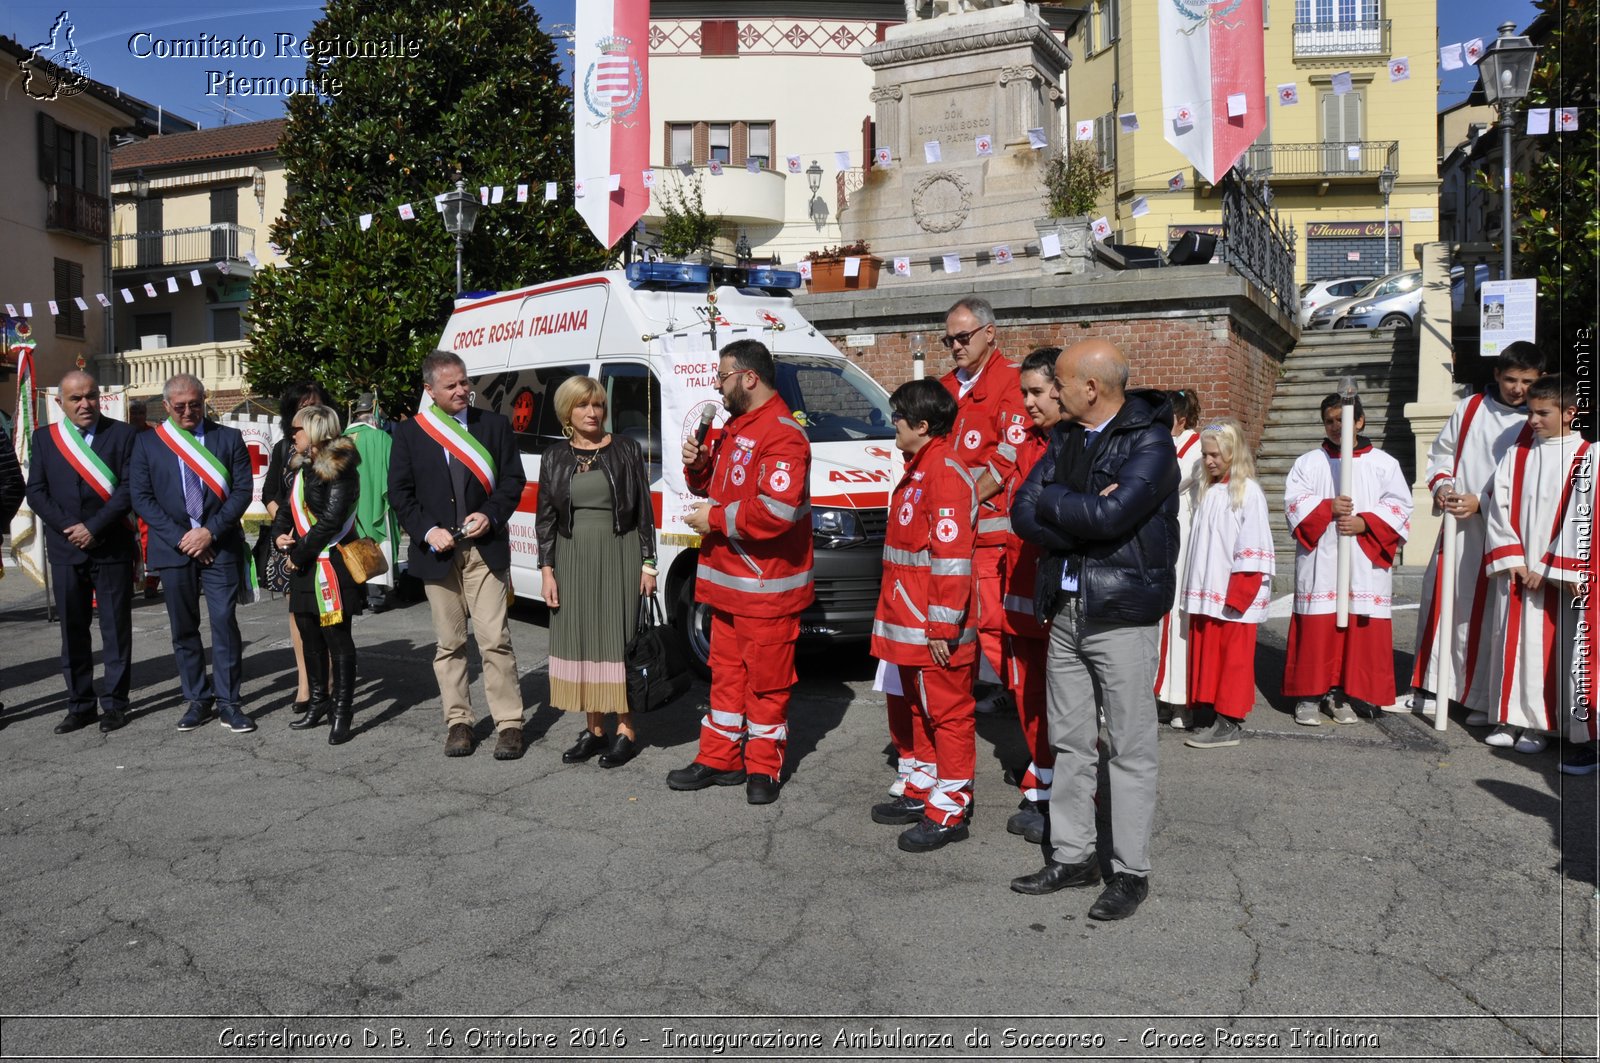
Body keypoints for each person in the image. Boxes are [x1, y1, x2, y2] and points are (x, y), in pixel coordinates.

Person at [1009, 339, 1179, 922]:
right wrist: (1075, 507)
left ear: (1091, 388)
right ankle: (1075, 854)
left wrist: (1063, 505)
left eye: (1057, 382)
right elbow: (1023, 511)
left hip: (1121, 616)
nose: (1049, 392)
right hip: (1067, 609)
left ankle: (1130, 871)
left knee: (1129, 748)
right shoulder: (1063, 438)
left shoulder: (1151, 441)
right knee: (1072, 741)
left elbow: (1113, 515)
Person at [668, 339, 813, 805]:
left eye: (723, 375)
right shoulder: (736, 428)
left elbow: (775, 511)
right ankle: (719, 758)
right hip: (727, 584)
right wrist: (700, 466)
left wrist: (712, 519)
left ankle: (763, 768)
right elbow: (721, 488)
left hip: (765, 588)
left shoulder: (783, 434)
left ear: (749, 377)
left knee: (767, 683)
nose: (717, 383)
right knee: (725, 676)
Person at [388, 350, 527, 760]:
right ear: (429, 390)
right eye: (451, 386)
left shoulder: (494, 425)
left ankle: (509, 725)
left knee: (494, 640)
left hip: (484, 551)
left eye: (465, 382)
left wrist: (490, 514)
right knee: (449, 644)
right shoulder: (411, 433)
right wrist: (428, 530)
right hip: (437, 554)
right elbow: (400, 493)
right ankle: (459, 723)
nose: (463, 391)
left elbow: (513, 481)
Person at [868, 379, 980, 851]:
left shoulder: (944, 472)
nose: (892, 423)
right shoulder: (922, 467)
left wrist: (942, 625)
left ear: (922, 425)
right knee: (920, 708)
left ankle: (950, 808)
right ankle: (923, 788)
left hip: (933, 625)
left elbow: (952, 558)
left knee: (948, 715)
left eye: (898, 417)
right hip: (911, 619)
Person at [1408, 344, 1543, 717]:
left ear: (1539, 380)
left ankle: (1484, 697)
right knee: (1445, 603)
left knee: (1492, 615)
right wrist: (1445, 489)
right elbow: (1441, 454)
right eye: (1511, 379)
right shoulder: (1470, 409)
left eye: (1526, 381)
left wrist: (1482, 502)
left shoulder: (1536, 421)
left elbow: (1531, 478)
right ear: (1497, 375)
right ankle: (1433, 686)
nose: (1517, 388)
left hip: (1508, 532)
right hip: (1459, 527)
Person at [537, 376, 658, 769]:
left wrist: (648, 562)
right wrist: (547, 570)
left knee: (616, 639)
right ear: (567, 411)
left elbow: (643, 509)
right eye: (583, 405)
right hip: (572, 558)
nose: (592, 413)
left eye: (598, 405)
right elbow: (546, 518)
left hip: (618, 553)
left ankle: (625, 731)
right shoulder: (554, 457)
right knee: (583, 640)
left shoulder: (625, 449)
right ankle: (595, 731)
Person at [128, 373, 255, 733]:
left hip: (220, 545)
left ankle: (230, 702)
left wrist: (209, 532)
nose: (188, 412)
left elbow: (242, 491)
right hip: (174, 549)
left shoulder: (227, 438)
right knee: (184, 628)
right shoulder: (148, 444)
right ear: (166, 406)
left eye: (194, 404)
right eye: (179, 406)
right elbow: (142, 499)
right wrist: (186, 538)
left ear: (205, 401)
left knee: (223, 624)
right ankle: (197, 699)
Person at [1282, 395, 1412, 725]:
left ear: (1360, 421)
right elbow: (1294, 504)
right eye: (1330, 421)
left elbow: (1400, 506)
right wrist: (1327, 508)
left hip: (1362, 562)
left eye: (1343, 419)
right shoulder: (1309, 463)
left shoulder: (1384, 464)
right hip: (1321, 559)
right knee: (1317, 628)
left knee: (1360, 627)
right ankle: (1309, 696)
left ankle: (1346, 694)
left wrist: (1365, 522)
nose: (1337, 426)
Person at [25, 371, 138, 734]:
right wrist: (70, 528)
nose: (85, 404)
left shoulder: (122, 435)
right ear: (61, 403)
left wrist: (94, 527)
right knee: (73, 631)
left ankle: (115, 704)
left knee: (115, 629)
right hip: (65, 548)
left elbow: (129, 488)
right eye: (76, 399)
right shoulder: (44, 439)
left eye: (91, 396)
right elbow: (37, 492)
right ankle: (80, 704)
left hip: (111, 545)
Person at [1479, 374, 1587, 754]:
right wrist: (1513, 557)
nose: (1532, 420)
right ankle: (1508, 718)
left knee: (1549, 649)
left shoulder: (1587, 455)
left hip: (1555, 577)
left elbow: (1583, 517)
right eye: (1529, 412)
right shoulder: (1517, 455)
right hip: (1518, 570)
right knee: (1509, 643)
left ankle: (1542, 726)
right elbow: (1498, 505)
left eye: (1542, 413)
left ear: (1570, 413)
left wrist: (1548, 565)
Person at [938, 296, 1024, 716]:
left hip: (988, 536)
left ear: (990, 333)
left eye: (963, 337)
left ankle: (1035, 726)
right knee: (949, 626)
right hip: (949, 535)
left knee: (994, 626)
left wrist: (960, 499)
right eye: (949, 339)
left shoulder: (1012, 382)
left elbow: (1008, 459)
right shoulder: (943, 388)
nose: (956, 346)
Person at [998, 347, 1063, 844]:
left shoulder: (1076, 445)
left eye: (1037, 392)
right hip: (1021, 589)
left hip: (1056, 594)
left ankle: (1067, 795)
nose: (1027, 403)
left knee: (1065, 701)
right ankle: (1040, 783)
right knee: (1029, 694)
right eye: (1024, 393)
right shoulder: (1028, 444)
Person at [271, 404, 365, 745]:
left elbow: (332, 520)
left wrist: (298, 553)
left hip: (331, 564)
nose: (291, 435)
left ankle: (342, 710)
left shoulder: (341, 468)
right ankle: (318, 701)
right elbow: (286, 508)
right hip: (305, 562)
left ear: (313, 431)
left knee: (336, 639)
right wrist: (280, 535)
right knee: (309, 635)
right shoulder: (303, 467)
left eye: (296, 429)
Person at [1179, 420, 1275, 750]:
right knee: (1210, 656)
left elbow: (1254, 545)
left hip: (1233, 594)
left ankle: (1229, 722)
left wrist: (1242, 591)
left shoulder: (1248, 492)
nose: (1208, 461)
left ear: (1233, 453)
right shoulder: (1211, 489)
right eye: (1205, 455)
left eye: (1215, 455)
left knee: (1232, 659)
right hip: (1210, 592)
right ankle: (1209, 713)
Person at [263, 383, 335, 715]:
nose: (306, 414)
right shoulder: (283, 450)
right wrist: (286, 526)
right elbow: (271, 494)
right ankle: (305, 683)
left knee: (331, 615)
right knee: (299, 616)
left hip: (327, 546)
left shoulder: (339, 451)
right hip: (294, 547)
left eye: (315, 407)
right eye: (301, 408)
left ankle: (331, 681)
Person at [1155, 388, 1204, 729]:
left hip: (1184, 534)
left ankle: (1181, 701)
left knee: (1178, 618)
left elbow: (1172, 481)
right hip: (1158, 533)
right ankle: (1158, 695)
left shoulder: (1196, 446)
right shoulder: (1158, 441)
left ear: (1182, 419)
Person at [344, 393, 402, 613]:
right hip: (375, 503)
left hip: (348, 507)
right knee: (376, 541)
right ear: (374, 413)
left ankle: (356, 596)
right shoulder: (381, 439)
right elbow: (396, 476)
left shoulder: (341, 438)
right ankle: (376, 597)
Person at [127, 400, 160, 599]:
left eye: (141, 412)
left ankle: (151, 580)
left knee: (149, 538)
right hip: (125, 494)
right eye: (134, 412)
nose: (137, 416)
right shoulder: (120, 434)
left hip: (148, 492)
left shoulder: (153, 435)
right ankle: (130, 579)